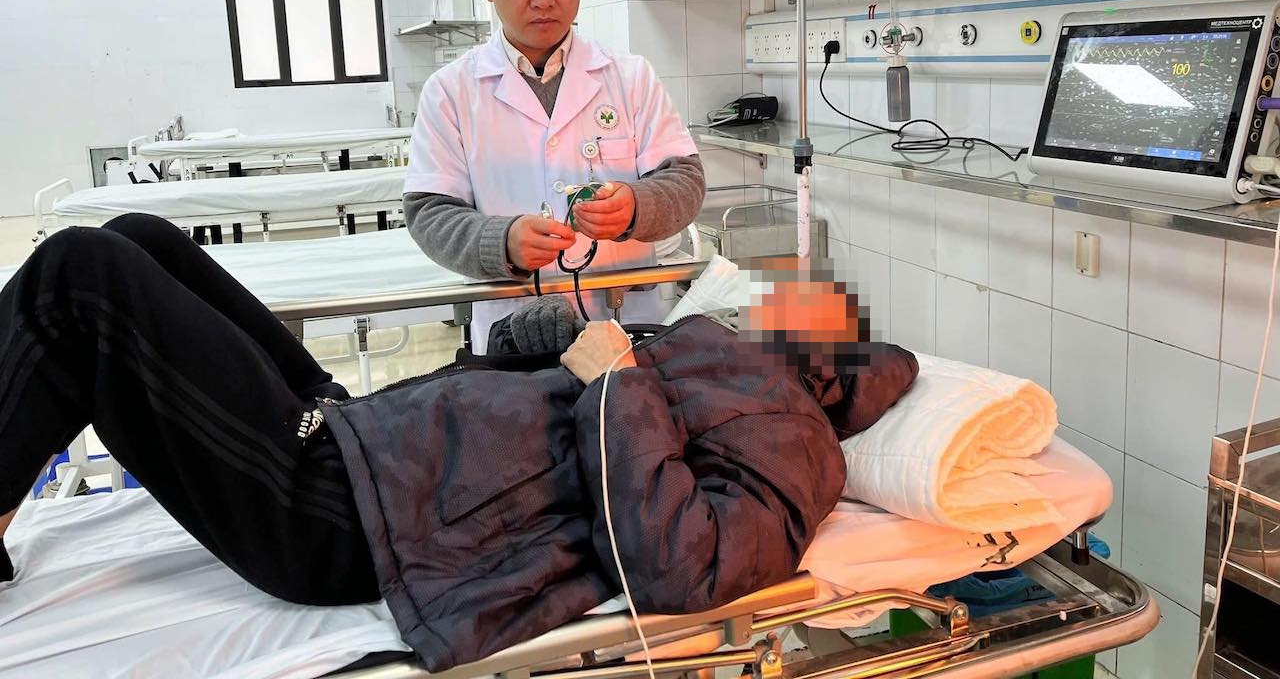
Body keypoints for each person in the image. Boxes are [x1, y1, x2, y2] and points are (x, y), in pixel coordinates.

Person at [0, 219, 918, 671]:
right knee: (140, 240)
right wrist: (541, 344)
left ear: (834, 355)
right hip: (378, 444)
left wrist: (620, 380)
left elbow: (684, 564)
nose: (779, 299)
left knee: (81, 275)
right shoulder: (725, 354)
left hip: (354, 521)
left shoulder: (798, 443)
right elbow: (559, 394)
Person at [403, 0, 705, 351]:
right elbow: (429, 212)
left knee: (624, 400)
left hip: (626, 323)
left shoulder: (630, 77)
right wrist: (500, 241)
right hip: (514, 330)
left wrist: (636, 207)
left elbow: (685, 181)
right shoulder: (451, 90)